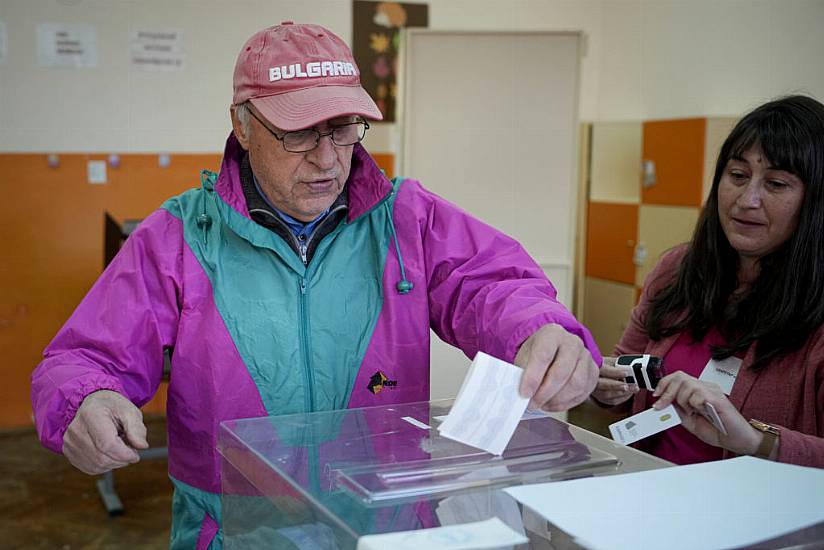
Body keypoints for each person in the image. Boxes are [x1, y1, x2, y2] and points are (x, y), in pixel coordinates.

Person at [31, 22, 600, 548]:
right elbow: (82, 358)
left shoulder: (408, 219)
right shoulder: (179, 237)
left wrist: (539, 329)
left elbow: (493, 284)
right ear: (243, 126)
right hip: (236, 532)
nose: (329, 159)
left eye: (343, 128)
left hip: (384, 523)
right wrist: (84, 400)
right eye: (299, 134)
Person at [592, 95, 824, 468]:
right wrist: (602, 385)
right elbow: (621, 376)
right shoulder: (677, 268)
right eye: (737, 175)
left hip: (759, 518)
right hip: (650, 493)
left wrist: (754, 440)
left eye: (776, 183)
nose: (747, 199)